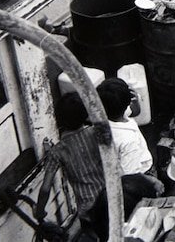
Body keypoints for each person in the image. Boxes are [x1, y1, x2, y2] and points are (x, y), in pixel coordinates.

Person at [34, 93, 107, 241]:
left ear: (59, 120)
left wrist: (40, 211)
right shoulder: (96, 133)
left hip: (89, 209)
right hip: (108, 198)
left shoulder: (58, 151)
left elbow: (46, 188)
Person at [97, 79, 163, 219]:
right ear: (126, 102)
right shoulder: (128, 140)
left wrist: (135, 103)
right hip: (141, 177)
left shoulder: (105, 119)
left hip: (119, 172)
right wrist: (152, 181)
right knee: (147, 212)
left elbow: (133, 112)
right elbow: (130, 175)